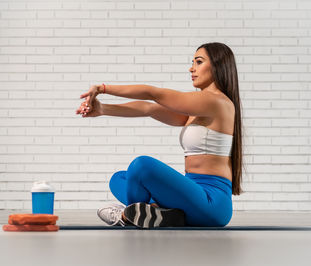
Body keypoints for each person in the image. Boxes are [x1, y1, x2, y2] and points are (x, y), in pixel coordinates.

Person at [76, 42, 244, 228]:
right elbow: (149, 108)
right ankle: (162, 214)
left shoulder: (217, 102)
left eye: (198, 62)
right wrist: (103, 109)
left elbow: (152, 94)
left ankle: (131, 214)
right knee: (120, 178)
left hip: (211, 203)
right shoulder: (197, 110)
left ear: (217, 65)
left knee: (141, 166)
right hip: (191, 196)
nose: (191, 68)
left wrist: (103, 88)